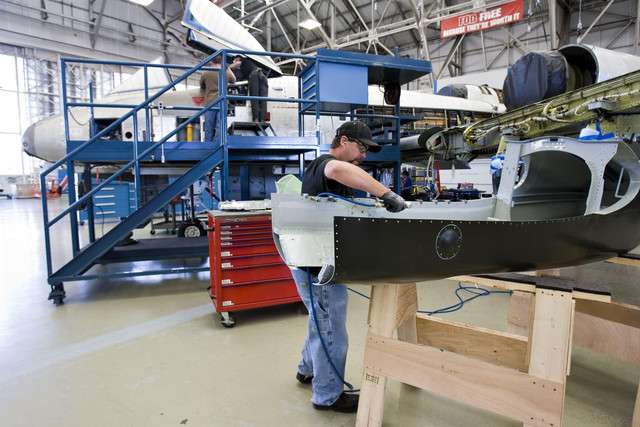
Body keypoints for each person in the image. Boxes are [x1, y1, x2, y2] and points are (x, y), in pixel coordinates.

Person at [291, 121, 407, 413]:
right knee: (331, 329)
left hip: (311, 263)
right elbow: (339, 169)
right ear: (344, 140)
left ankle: (307, 369)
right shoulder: (325, 164)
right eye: (362, 148)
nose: (364, 155)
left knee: (319, 321)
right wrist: (387, 194)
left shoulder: (332, 176)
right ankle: (328, 395)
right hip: (320, 269)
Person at [200, 57, 236, 142]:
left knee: (209, 125)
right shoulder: (225, 71)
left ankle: (207, 144)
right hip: (222, 101)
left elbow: (202, 85)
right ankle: (217, 144)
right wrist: (227, 67)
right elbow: (233, 80)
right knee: (220, 125)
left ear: (212, 61)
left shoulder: (205, 72)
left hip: (209, 101)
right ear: (222, 61)